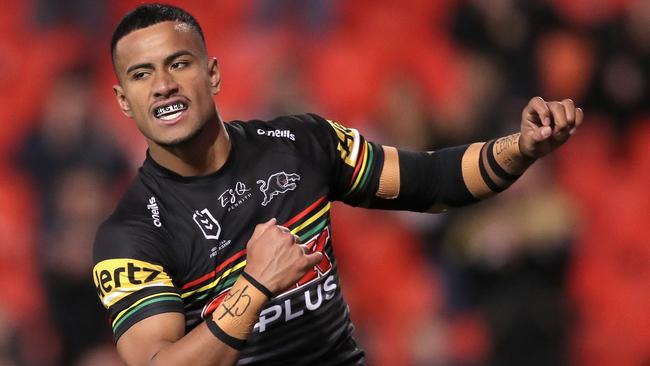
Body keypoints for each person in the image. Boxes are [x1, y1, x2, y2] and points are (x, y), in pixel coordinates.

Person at [93, 3, 584, 366]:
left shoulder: (302, 143)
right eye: (142, 74)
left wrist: (521, 147)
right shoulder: (129, 235)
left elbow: (432, 181)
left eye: (178, 63)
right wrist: (256, 284)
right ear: (123, 100)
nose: (163, 85)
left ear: (213, 73)